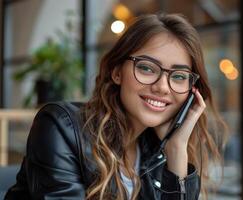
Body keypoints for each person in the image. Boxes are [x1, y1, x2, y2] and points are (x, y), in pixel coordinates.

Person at [5, 13, 228, 200]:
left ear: (191, 91)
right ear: (117, 72)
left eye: (179, 76)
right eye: (147, 68)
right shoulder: (61, 127)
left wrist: (177, 148)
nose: (162, 87)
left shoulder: (159, 149)